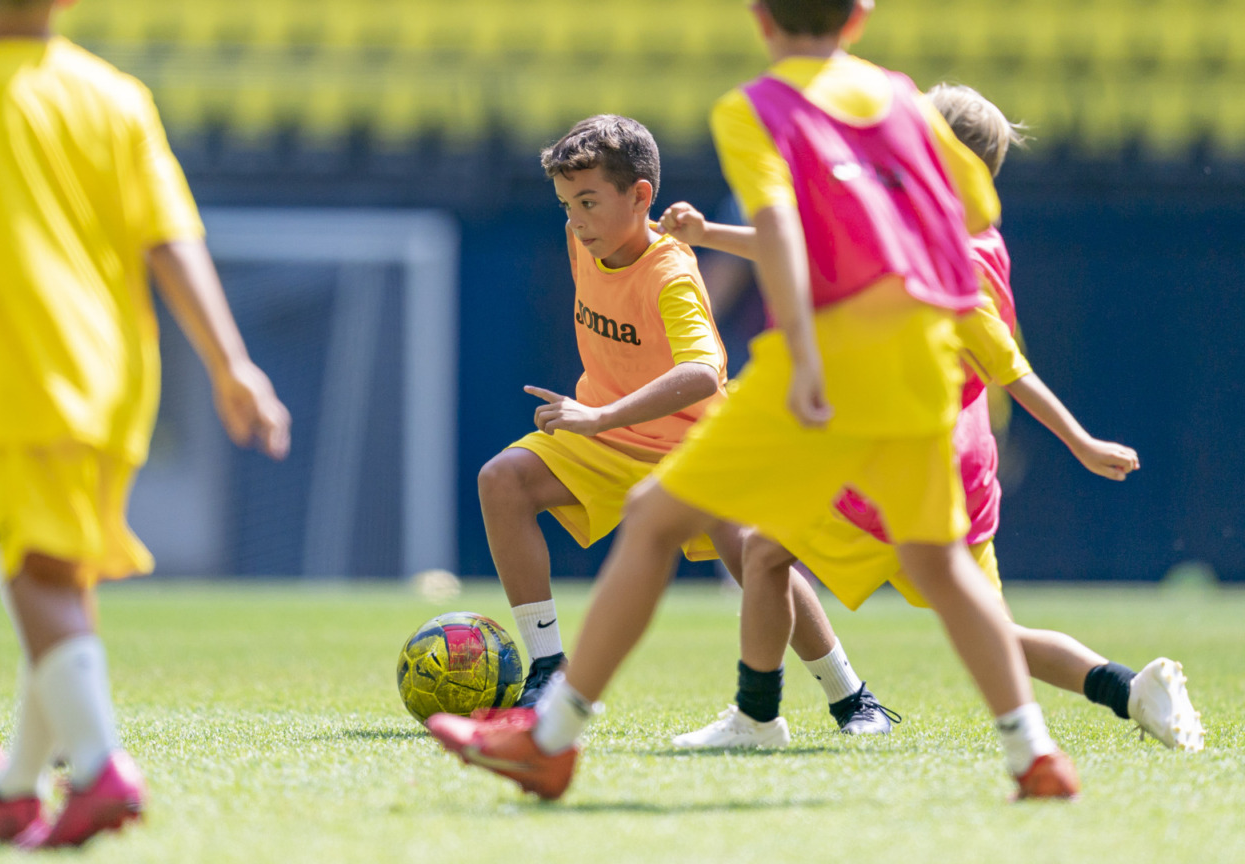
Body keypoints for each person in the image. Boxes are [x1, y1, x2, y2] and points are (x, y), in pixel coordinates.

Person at [427, 0, 1080, 801]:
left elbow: (783, 238)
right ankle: (1033, 754)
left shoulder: (757, 108)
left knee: (659, 518)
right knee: (941, 567)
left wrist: (806, 358)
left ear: (761, 18)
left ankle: (551, 741)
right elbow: (965, 218)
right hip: (923, 362)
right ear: (861, 15)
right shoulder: (905, 98)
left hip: (830, 355)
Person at [0, 0, 291, 847]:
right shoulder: (116, 95)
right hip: (124, 376)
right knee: (59, 570)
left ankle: (96, 771)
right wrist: (230, 362)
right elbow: (173, 242)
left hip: (30, 369)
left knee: (36, 578)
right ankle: (16, 786)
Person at [668, 83, 1202, 752]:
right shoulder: (963, 239)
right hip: (958, 460)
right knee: (991, 630)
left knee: (764, 551)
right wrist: (706, 233)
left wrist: (1080, 441)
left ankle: (755, 718)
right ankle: (1128, 688)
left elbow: (1012, 369)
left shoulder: (942, 256)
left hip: (898, 450)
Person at [481, 113, 894, 733]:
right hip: (609, 438)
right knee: (503, 479)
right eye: (567, 204)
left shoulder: (671, 272)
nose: (576, 220)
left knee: (759, 556)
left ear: (640, 196)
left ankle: (851, 698)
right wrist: (602, 421)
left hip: (693, 445)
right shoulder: (582, 240)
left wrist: (599, 415)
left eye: (589, 202)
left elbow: (704, 371)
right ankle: (547, 671)